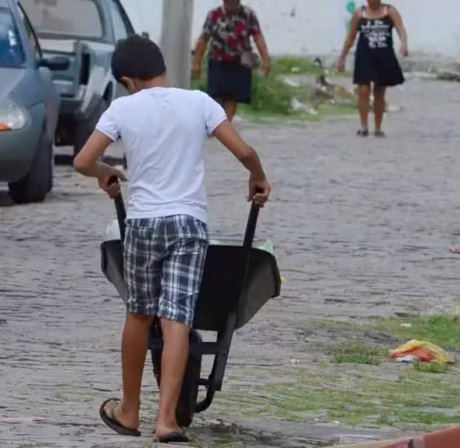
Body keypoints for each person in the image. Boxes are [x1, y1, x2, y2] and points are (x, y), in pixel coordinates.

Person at [73, 35, 271, 443]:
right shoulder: (199, 102)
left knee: (139, 315)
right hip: (188, 223)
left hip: (144, 223)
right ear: (162, 68)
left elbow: (82, 160)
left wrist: (106, 173)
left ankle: (129, 411)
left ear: (128, 79)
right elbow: (245, 151)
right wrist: (258, 177)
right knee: (176, 317)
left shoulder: (122, 108)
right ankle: (167, 420)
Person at [337, 0, 408, 137]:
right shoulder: (359, 14)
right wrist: (342, 57)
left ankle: (378, 127)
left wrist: (404, 44)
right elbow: (351, 37)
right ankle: (364, 126)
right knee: (363, 90)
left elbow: (401, 29)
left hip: (384, 56)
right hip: (365, 56)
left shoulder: (390, 11)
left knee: (379, 92)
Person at [192, 0, 270, 123]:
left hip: (240, 63)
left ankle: (225, 126)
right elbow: (203, 39)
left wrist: (266, 60)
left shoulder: (248, 15)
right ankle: (214, 124)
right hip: (218, 60)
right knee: (216, 95)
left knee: (233, 98)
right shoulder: (214, 15)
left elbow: (258, 37)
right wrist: (196, 63)